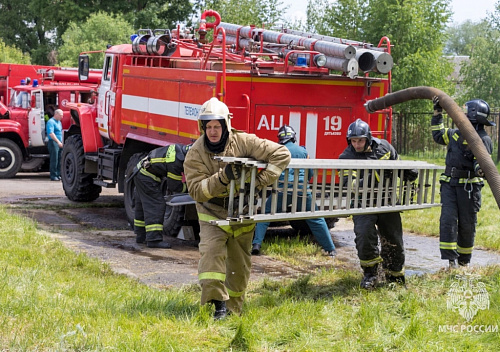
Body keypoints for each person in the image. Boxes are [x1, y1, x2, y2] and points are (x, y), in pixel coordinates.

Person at [183, 97, 291, 320]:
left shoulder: (243, 141)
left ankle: (233, 311)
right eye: (209, 127)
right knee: (211, 258)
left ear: (226, 125)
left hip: (242, 211)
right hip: (211, 212)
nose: (213, 132)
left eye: (217, 126)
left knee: (239, 268)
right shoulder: (195, 153)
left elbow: (282, 154)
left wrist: (260, 182)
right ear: (203, 127)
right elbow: (196, 191)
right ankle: (217, 306)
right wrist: (222, 178)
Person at [339, 119, 416, 289]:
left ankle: (395, 276)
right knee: (364, 236)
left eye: (360, 140)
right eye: (353, 141)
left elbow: (399, 163)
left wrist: (407, 172)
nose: (357, 144)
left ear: (368, 138)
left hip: (387, 201)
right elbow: (350, 185)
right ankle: (370, 274)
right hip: (362, 203)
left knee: (393, 238)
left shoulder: (385, 148)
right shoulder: (346, 157)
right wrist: (376, 174)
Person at [251, 125, 336, 257]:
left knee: (265, 215)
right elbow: (310, 173)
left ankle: (256, 245)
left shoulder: (277, 151)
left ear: (280, 138)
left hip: (282, 191)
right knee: (316, 218)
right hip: (302, 190)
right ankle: (330, 249)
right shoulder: (303, 151)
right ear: (293, 137)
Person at [431, 97, 494, 269]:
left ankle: (464, 262)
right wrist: (438, 113)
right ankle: (451, 263)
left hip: (469, 188)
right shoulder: (455, 133)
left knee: (467, 224)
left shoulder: (482, 138)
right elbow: (438, 135)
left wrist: (480, 167)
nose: (462, 114)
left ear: (473, 115)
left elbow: (483, 161)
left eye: (465, 111)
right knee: (448, 221)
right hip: (449, 185)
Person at [130, 143, 190, 249]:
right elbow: (174, 186)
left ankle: (141, 236)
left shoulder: (179, 150)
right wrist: (190, 189)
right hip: (146, 176)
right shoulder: (176, 162)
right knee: (156, 205)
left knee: (142, 206)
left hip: (140, 171)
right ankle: (154, 240)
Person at [46, 108, 64, 181]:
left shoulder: (59, 122)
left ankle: (58, 174)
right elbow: (51, 133)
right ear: (56, 114)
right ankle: (53, 175)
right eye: (60, 115)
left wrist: (62, 141)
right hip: (54, 142)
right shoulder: (51, 122)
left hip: (59, 142)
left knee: (59, 158)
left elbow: (60, 132)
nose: (62, 117)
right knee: (54, 159)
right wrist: (58, 142)